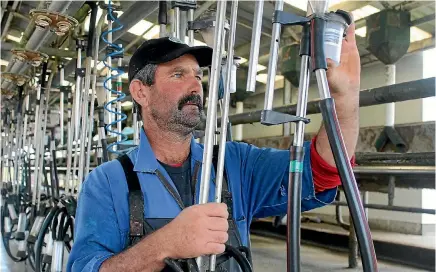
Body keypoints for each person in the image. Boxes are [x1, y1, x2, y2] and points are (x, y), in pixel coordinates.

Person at [67, 22, 360, 272]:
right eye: (178, 74)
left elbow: (322, 170)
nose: (196, 87)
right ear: (141, 92)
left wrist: (345, 100)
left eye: (198, 75)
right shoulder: (107, 182)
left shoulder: (234, 164)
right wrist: (164, 246)